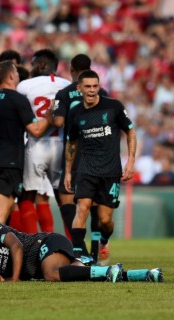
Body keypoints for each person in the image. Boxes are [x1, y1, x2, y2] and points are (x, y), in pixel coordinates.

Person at [0, 220, 163, 283]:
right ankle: (141, 274)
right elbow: (1, 276)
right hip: (42, 263)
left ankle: (102, 270)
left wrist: (12, 279)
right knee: (76, 273)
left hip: (45, 243)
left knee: (52, 275)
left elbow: (15, 245)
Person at [64, 70, 136, 262]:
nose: (92, 90)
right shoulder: (75, 112)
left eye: (95, 86)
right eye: (87, 86)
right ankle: (79, 254)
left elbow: (130, 132)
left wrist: (130, 161)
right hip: (86, 168)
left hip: (110, 171)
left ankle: (104, 240)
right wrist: (69, 171)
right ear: (79, 89)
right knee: (82, 207)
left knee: (105, 220)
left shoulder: (113, 107)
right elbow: (71, 142)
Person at [52, 53, 109, 264]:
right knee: (93, 203)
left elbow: (58, 122)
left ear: (71, 71)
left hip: (75, 151)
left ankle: (80, 249)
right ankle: (94, 250)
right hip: (99, 152)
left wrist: (52, 112)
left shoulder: (65, 93)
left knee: (67, 197)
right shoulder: (101, 92)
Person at [0, 60, 50, 225]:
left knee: (5, 209)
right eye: (15, 70)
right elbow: (35, 130)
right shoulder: (17, 98)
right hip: (9, 160)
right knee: (0, 214)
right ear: (12, 75)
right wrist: (50, 115)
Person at [17, 49, 71, 234]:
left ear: (40, 64)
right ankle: (75, 247)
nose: (31, 68)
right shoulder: (67, 85)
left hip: (36, 144)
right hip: (61, 145)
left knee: (27, 196)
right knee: (64, 198)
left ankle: (31, 244)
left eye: (33, 64)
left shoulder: (25, 85)